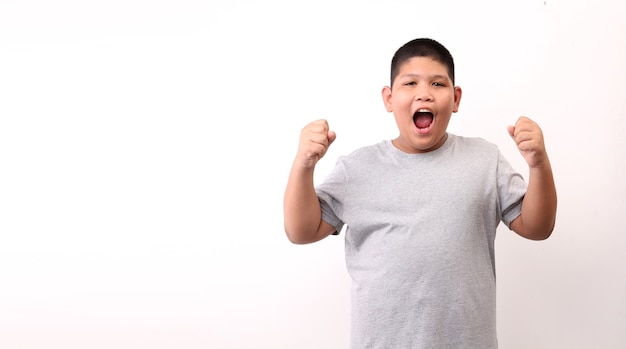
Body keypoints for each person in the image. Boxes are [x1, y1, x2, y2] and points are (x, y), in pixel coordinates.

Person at [283, 37, 557, 348]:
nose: (423, 94)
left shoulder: (484, 160)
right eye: (410, 83)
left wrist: (538, 165)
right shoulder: (357, 169)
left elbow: (537, 227)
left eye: (437, 84)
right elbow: (301, 231)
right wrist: (303, 165)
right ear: (389, 98)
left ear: (455, 98)